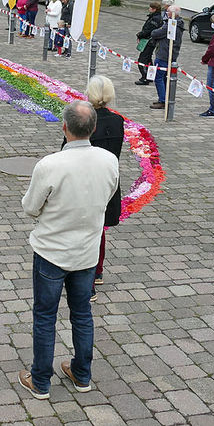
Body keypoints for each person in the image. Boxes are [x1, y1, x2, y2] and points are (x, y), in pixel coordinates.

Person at [18, 100, 119, 400]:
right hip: (87, 252)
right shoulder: (108, 161)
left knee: (45, 316)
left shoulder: (50, 165)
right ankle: (82, 374)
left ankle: (40, 381)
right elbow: (109, 194)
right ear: (93, 128)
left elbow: (30, 207)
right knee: (82, 314)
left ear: (65, 128)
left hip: (52, 252)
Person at [80, 76, 124, 300]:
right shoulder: (118, 121)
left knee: (87, 232)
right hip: (109, 181)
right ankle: (97, 271)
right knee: (99, 229)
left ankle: (88, 282)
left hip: (87, 182)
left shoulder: (86, 121)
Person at [149, 5, 184, 110]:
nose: (166, 13)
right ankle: (164, 98)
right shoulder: (178, 24)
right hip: (170, 54)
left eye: (167, 11)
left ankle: (163, 100)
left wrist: (157, 31)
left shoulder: (171, 24)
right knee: (165, 78)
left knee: (159, 77)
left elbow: (156, 33)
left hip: (164, 54)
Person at [135, 2, 164, 86]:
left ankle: (145, 78)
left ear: (154, 9)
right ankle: (150, 76)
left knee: (142, 59)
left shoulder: (155, 19)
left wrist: (139, 34)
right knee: (148, 59)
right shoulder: (155, 17)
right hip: (151, 41)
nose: (149, 9)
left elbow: (149, 31)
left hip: (149, 41)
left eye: (150, 8)